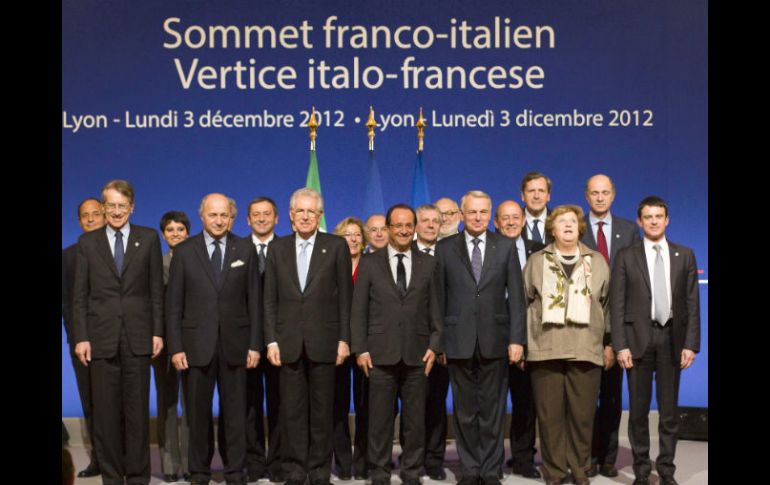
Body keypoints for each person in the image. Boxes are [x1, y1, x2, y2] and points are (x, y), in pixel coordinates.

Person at [165, 193, 262, 485]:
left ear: (231, 217)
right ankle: (199, 471)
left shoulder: (245, 248)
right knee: (198, 414)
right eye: (213, 215)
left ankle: (235, 470)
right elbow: (174, 306)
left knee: (236, 414)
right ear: (202, 217)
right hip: (196, 347)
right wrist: (177, 346)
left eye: (224, 215)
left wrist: (255, 344)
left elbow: (254, 302)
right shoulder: (184, 251)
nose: (219, 221)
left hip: (237, 345)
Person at [73, 179, 164, 485]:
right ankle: (112, 477)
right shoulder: (87, 243)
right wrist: (82, 337)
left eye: (121, 206)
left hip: (138, 338)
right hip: (100, 338)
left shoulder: (149, 238)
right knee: (107, 416)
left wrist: (157, 332)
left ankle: (138, 477)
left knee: (137, 413)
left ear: (132, 207)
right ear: (103, 207)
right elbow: (80, 296)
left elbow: (155, 293)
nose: (115, 211)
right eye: (110, 206)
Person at [435, 190, 526, 485]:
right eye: (472, 212)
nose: (477, 217)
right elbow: (438, 298)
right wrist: (440, 342)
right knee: (464, 411)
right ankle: (470, 469)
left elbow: (516, 298)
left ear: (490, 214)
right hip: (457, 340)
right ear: (462, 215)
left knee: (492, 410)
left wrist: (517, 340)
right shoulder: (446, 248)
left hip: (495, 340)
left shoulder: (505, 246)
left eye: (483, 212)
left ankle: (490, 470)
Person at [263, 187, 353, 485]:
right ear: (290, 216)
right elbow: (269, 299)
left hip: (325, 343)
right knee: (292, 411)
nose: (304, 216)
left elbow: (345, 299)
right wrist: (272, 340)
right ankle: (295, 468)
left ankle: (318, 470)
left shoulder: (336, 246)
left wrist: (344, 339)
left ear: (319, 215)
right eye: (299, 211)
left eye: (310, 211)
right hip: (287, 344)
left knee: (322, 410)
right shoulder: (277, 249)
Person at [611, 196, 700, 485]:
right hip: (637, 340)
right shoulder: (626, 255)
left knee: (668, 411)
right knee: (638, 412)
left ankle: (666, 471)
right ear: (639, 221)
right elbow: (618, 303)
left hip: (672, 340)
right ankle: (640, 472)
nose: (653, 221)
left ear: (667, 219)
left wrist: (691, 343)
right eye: (647, 217)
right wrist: (620, 344)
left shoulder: (684, 254)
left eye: (658, 216)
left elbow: (692, 303)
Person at [351, 204, 442, 485]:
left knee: (415, 421)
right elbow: (358, 311)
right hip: (379, 355)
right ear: (388, 228)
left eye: (408, 225)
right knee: (379, 421)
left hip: (417, 355)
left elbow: (436, 308)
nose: (403, 230)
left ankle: (411, 471)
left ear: (413, 228)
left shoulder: (429, 263)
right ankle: (379, 471)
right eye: (397, 225)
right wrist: (361, 348)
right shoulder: (369, 262)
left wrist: (435, 345)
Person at [523, 205, 611, 485]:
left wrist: (608, 343)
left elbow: (606, 305)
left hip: (586, 348)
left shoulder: (596, 261)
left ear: (580, 227)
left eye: (572, 221)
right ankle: (556, 471)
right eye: (562, 221)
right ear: (552, 228)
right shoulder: (537, 261)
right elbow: (526, 302)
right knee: (550, 418)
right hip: (545, 347)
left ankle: (580, 468)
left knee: (583, 416)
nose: (568, 226)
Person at [580, 174, 641, 478]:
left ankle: (608, 457)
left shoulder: (630, 231)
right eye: (594, 193)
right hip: (583, 327)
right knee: (586, 397)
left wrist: (616, 338)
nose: (600, 198)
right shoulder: (574, 228)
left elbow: (635, 283)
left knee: (613, 396)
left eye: (605, 193)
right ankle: (587, 456)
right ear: (586, 196)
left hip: (618, 327)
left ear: (613, 195)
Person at [492, 200, 543, 479]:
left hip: (531, 337)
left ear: (523, 220)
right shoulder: (486, 249)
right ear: (496, 222)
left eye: (515, 217)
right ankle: (492, 460)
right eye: (504, 218)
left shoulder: (539, 249)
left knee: (526, 403)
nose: (511, 222)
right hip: (492, 338)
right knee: (492, 403)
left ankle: (523, 459)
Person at [62, 197, 105, 478]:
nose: (90, 219)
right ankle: (99, 459)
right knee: (90, 402)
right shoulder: (69, 256)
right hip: (82, 343)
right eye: (85, 216)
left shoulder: (117, 250)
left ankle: (124, 458)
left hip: (115, 338)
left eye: (95, 214)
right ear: (79, 221)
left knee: (120, 403)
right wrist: (78, 338)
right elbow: (67, 302)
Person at [244, 196, 284, 483]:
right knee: (249, 404)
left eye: (266, 214)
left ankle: (279, 461)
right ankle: (254, 462)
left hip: (281, 341)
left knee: (281, 403)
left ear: (277, 218)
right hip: (245, 342)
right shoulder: (237, 248)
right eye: (255, 215)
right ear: (248, 220)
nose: (261, 218)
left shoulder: (286, 249)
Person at [409, 204, 447, 479]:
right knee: (410, 407)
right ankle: (411, 459)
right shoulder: (401, 251)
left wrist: (441, 343)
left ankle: (434, 461)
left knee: (435, 404)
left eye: (436, 221)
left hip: (441, 344)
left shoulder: (449, 253)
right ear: (415, 224)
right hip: (407, 342)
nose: (431, 225)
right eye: (425, 221)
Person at [154, 211, 191, 483]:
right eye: (170, 230)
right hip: (164, 343)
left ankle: (190, 463)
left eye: (180, 229)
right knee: (167, 403)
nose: (175, 234)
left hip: (192, 343)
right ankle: (169, 464)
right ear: (163, 234)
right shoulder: (156, 265)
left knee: (191, 404)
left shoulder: (196, 262)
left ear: (188, 233)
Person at [331, 216, 369, 480]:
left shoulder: (372, 265)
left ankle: (364, 461)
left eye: (357, 235)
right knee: (338, 406)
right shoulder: (330, 266)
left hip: (367, 347)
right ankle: (343, 463)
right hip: (338, 346)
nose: (353, 239)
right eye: (347, 235)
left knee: (367, 406)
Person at [520, 172, 554, 245]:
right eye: (531, 191)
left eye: (541, 191)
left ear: (548, 196)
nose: (536, 196)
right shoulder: (513, 221)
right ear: (522, 196)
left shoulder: (558, 220)